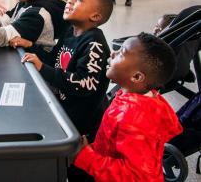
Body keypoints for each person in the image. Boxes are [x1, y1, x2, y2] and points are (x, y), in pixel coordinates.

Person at [73, 33, 182, 182]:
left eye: (121, 53)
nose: (113, 53)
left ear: (136, 77)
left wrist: (85, 156)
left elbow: (133, 177)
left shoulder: (133, 118)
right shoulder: (149, 98)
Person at [20, 0, 112, 141]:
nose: (70, 0)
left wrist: (42, 68)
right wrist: (31, 46)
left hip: (79, 126)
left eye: (79, 0)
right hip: (61, 109)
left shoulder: (95, 44)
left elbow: (83, 84)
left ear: (95, 16)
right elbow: (54, 59)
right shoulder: (70, 31)